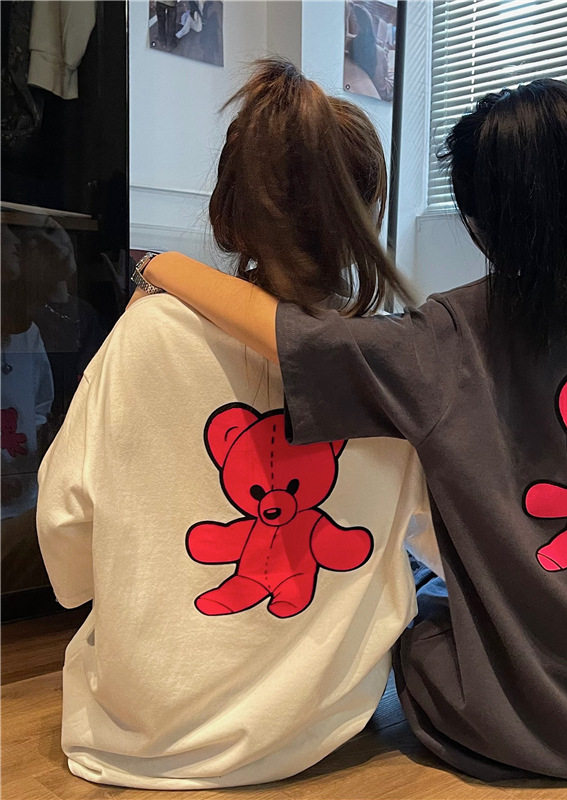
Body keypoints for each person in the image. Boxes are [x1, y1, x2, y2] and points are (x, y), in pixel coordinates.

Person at [128, 78, 567, 781]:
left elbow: (296, 339)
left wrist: (157, 264)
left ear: (482, 222)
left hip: (492, 722)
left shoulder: (451, 335)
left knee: (414, 594)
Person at [36, 59, 439, 790]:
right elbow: (437, 544)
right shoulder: (393, 364)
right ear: (366, 216)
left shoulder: (146, 336)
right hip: (319, 730)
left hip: (136, 739)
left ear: (228, 211)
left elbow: (64, 520)